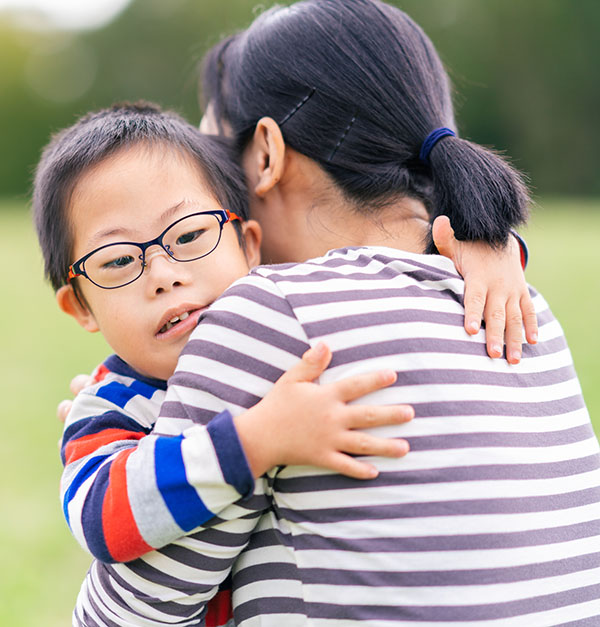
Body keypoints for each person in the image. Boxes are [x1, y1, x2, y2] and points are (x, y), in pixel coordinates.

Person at [143, 0, 596, 624]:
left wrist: (98, 448)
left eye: (220, 162)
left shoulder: (273, 310)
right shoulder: (523, 304)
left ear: (267, 153)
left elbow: (134, 610)